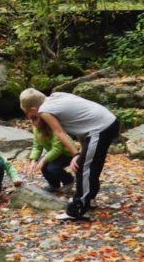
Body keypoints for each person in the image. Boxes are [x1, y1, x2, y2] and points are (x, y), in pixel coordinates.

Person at [20, 88, 118, 221]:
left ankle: (76, 209)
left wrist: (76, 154)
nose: (29, 117)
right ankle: (88, 199)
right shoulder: (57, 95)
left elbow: (60, 133)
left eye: (27, 114)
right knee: (90, 166)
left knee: (83, 168)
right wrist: (82, 151)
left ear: (32, 109)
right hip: (108, 121)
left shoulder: (44, 111)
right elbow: (79, 124)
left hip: (100, 128)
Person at [26, 113, 74, 193]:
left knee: (52, 167)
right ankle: (54, 185)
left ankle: (68, 181)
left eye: (35, 119)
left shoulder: (53, 128)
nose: (32, 122)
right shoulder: (36, 129)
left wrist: (43, 160)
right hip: (53, 152)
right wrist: (33, 160)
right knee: (43, 166)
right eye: (31, 119)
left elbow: (57, 148)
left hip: (67, 152)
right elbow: (37, 146)